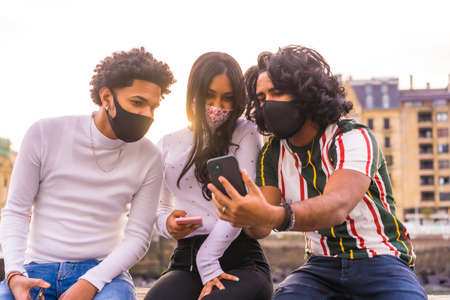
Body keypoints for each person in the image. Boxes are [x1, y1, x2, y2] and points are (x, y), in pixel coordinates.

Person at [208, 45, 427, 299]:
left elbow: (337, 206)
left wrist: (275, 215)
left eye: (277, 92)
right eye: (261, 98)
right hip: (320, 265)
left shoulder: (352, 137)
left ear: (306, 93)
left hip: (381, 259)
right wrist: (244, 215)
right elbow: (261, 224)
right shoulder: (272, 153)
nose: (267, 104)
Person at [0, 47, 175, 300]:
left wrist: (90, 283)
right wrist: (15, 275)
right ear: (106, 97)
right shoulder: (44, 134)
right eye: (137, 102)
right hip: (36, 269)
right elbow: (16, 210)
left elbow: (138, 236)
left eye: (153, 106)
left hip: (105, 275)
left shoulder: (150, 156)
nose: (147, 114)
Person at [144, 52, 272, 300]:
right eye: (209, 95)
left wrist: (208, 260)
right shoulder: (168, 143)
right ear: (194, 93)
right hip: (185, 262)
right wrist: (168, 225)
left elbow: (240, 204)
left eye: (227, 98)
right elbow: (158, 208)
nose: (218, 106)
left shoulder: (245, 132)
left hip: (240, 259)